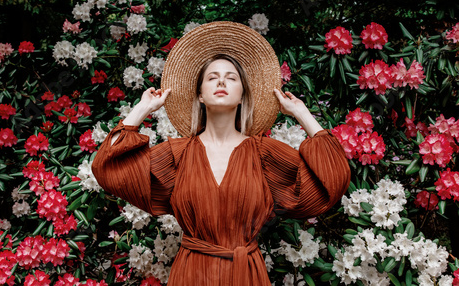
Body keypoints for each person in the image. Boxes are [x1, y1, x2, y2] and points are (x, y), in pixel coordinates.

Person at [91, 21, 350, 286]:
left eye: (232, 77)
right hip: (191, 275)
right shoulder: (176, 155)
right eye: (212, 78)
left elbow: (331, 180)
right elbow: (109, 168)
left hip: (246, 275)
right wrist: (143, 108)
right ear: (201, 95)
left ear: (242, 96)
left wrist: (302, 113)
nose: (222, 82)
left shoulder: (265, 154)